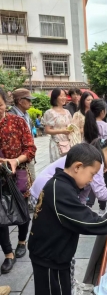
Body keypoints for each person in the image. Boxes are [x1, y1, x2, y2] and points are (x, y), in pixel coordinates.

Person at [28, 143, 107, 295]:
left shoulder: (63, 184)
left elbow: (81, 211)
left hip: (56, 255)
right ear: (78, 167)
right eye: (92, 174)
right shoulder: (60, 189)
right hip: (50, 259)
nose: (92, 180)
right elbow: (85, 221)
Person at [0, 87, 36, 274]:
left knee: (23, 208)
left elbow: (30, 149)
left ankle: (22, 241)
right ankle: (8, 253)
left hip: (20, 173)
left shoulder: (17, 122)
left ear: (5, 103)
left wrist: (16, 160)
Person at [9, 88, 37, 180]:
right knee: (22, 186)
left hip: (27, 156)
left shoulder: (26, 114)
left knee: (30, 184)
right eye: (28, 100)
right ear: (20, 101)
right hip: (17, 159)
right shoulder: (11, 117)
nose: (30, 103)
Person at [44, 88, 72, 163]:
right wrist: (62, 131)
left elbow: (70, 125)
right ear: (55, 97)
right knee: (58, 167)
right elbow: (47, 130)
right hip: (57, 144)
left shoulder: (67, 112)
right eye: (61, 96)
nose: (64, 98)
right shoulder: (50, 112)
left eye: (64, 96)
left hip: (68, 143)